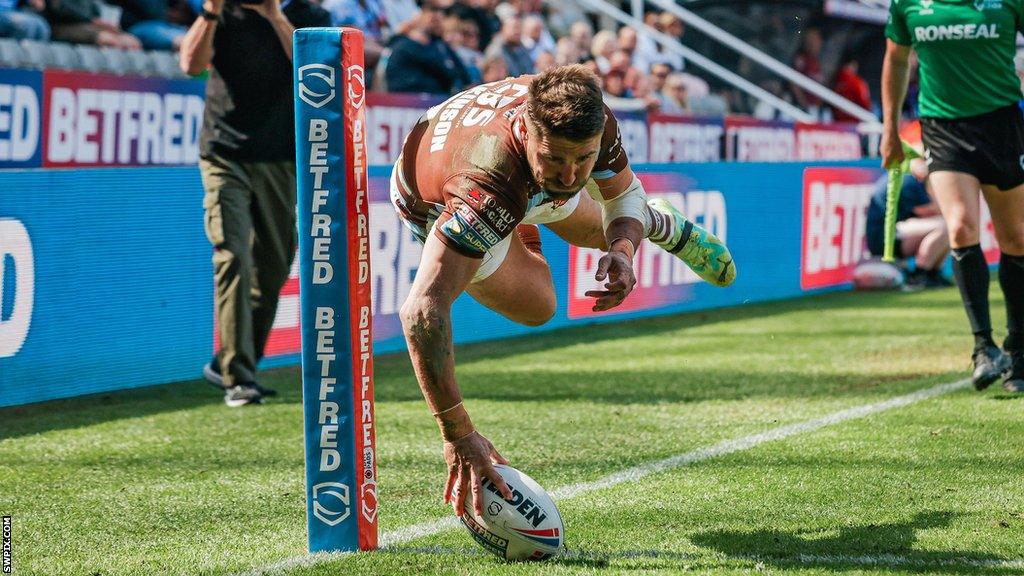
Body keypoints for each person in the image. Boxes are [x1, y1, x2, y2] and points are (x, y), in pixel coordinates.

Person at [390, 65, 735, 515]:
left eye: (583, 159)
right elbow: (422, 309)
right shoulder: (487, 188)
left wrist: (625, 250)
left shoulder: (589, 117)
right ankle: (520, 229)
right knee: (540, 305)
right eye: (556, 158)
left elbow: (622, 191)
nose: (572, 176)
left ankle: (657, 220)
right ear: (528, 130)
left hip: (503, 176)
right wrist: (457, 433)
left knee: (605, 226)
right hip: (439, 200)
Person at [179, 0, 330, 406]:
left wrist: (275, 16)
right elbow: (191, 65)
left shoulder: (309, 18)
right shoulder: (221, 12)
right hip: (223, 154)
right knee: (233, 255)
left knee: (275, 266)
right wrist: (210, 12)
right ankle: (238, 377)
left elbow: (309, 72)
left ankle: (233, 359)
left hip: (279, 159)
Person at [882, 0, 1024, 392]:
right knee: (960, 225)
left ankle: (1020, 347)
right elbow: (896, 60)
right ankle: (983, 347)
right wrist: (890, 130)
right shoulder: (907, 5)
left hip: (1002, 126)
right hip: (943, 128)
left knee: (1016, 239)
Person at [865, 156, 950, 290]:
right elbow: (928, 210)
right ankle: (919, 274)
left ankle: (933, 273)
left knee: (949, 226)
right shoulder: (909, 179)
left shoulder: (905, 174)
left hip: (893, 234)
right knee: (946, 226)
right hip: (884, 239)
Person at [384, 0, 471, 96]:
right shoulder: (403, 45)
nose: (437, 17)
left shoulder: (440, 44)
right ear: (418, 14)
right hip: (410, 104)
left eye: (441, 12)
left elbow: (464, 77)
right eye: (432, 10)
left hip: (439, 101)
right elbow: (446, 71)